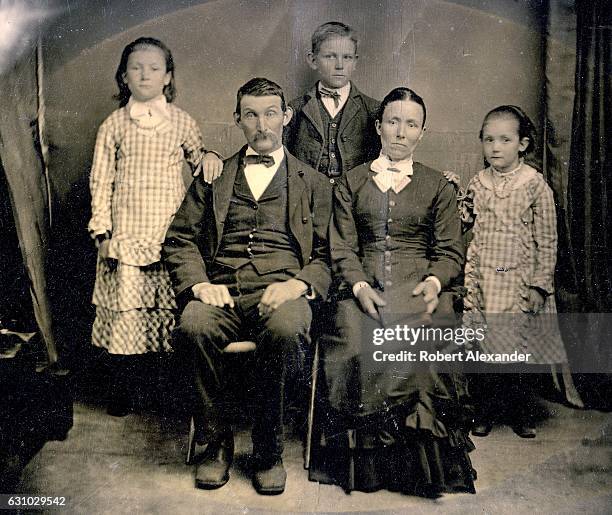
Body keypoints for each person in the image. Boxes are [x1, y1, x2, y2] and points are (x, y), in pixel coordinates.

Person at [163, 78, 332, 495]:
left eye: (271, 113)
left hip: (282, 292)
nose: (262, 125)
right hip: (220, 290)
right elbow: (179, 239)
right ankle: (216, 442)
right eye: (251, 115)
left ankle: (268, 448)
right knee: (194, 325)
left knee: (289, 327)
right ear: (238, 120)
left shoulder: (312, 182)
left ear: (286, 117)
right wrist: (200, 285)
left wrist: (298, 285)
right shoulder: (214, 176)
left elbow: (331, 255)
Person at [310, 87, 476, 497]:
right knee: (354, 344)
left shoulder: (438, 186)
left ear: (422, 132)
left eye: (411, 124)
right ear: (380, 126)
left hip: (420, 287)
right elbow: (341, 246)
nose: (401, 132)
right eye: (393, 121)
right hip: (361, 287)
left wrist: (435, 282)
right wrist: (359, 285)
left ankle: (416, 472)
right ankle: (368, 470)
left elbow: (451, 250)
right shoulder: (351, 182)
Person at [87, 37, 223, 416]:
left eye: (154, 68)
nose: (145, 74)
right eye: (136, 67)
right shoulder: (114, 124)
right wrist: (102, 231)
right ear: (124, 77)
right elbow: (101, 179)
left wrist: (209, 156)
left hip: (168, 235)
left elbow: (199, 160)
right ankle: (124, 390)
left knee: (168, 314)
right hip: (126, 235)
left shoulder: (180, 121)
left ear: (168, 77)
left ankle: (165, 395)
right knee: (128, 316)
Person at [462, 105, 575, 438]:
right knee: (484, 352)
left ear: (522, 144)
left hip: (518, 283)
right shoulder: (478, 183)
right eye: (488, 140)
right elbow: (465, 221)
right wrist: (455, 197)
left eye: (505, 140)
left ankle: (519, 411)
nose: (495, 147)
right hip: (485, 279)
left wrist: (540, 285)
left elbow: (548, 238)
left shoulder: (534, 185)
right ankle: (486, 411)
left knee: (517, 355)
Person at [285, 21, 380, 213]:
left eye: (346, 57)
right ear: (312, 60)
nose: (339, 65)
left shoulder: (373, 110)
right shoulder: (295, 109)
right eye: (330, 56)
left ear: (355, 61)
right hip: (308, 205)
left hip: (354, 207)